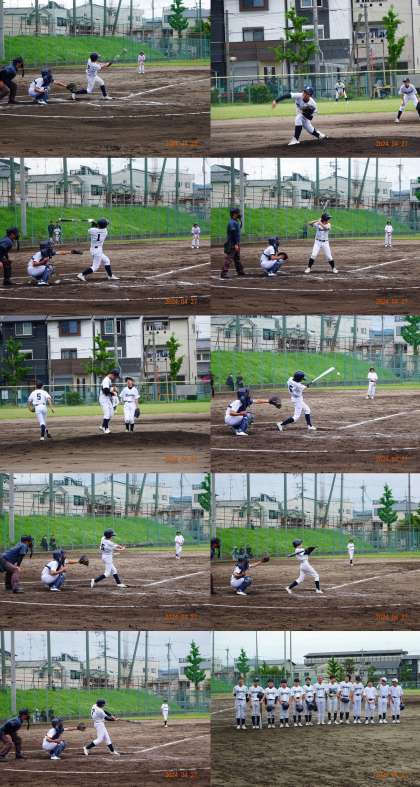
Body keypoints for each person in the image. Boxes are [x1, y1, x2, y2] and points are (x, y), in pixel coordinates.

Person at [221, 208, 245, 278]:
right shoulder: (232, 222)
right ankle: (223, 273)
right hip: (232, 243)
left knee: (237, 258)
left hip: (235, 243)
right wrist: (236, 244)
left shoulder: (235, 222)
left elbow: (238, 229)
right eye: (238, 213)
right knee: (229, 258)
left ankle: (240, 271)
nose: (239, 214)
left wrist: (240, 220)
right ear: (234, 214)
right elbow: (234, 234)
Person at [99, 369, 120, 434]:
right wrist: (113, 393)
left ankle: (103, 426)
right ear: (112, 375)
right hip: (103, 399)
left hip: (107, 399)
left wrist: (113, 389)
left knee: (111, 413)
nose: (115, 378)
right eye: (115, 377)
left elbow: (108, 389)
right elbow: (105, 391)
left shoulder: (109, 380)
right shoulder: (106, 380)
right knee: (107, 414)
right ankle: (106, 428)